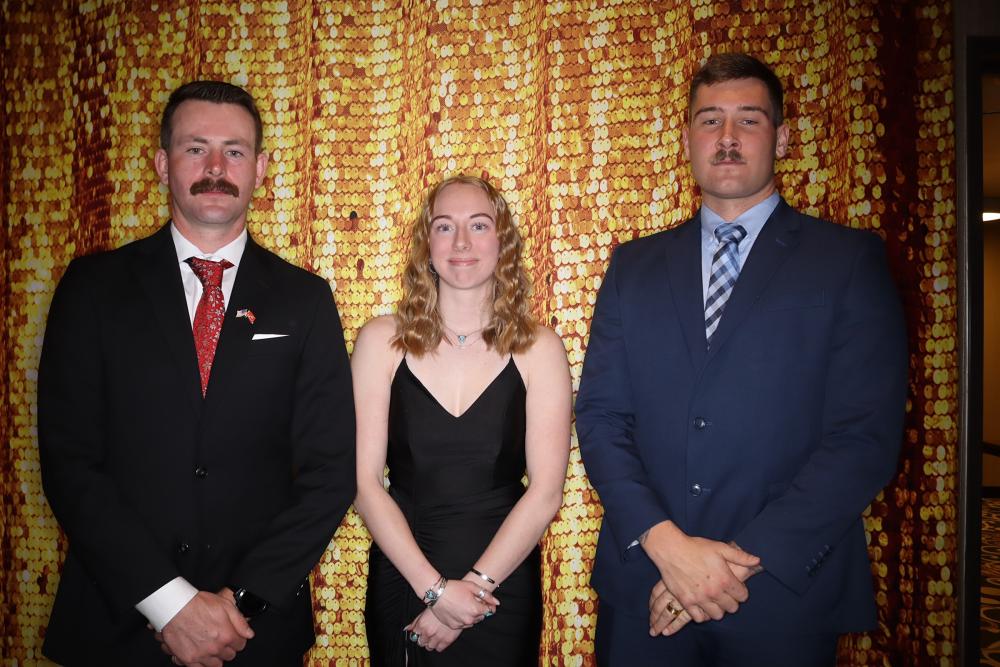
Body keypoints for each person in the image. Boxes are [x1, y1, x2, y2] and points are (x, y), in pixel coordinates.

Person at [575, 53, 908, 666]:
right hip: (646, 584)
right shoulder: (632, 266)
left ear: (781, 138)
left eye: (748, 120)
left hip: (781, 593)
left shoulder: (848, 261)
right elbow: (600, 417)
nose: (726, 137)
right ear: (687, 139)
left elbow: (864, 436)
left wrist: (727, 568)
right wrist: (668, 547)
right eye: (710, 120)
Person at [37, 80, 356, 666]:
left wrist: (239, 604)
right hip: (116, 627)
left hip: (252, 634)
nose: (215, 168)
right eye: (195, 148)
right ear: (163, 164)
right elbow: (69, 462)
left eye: (234, 151)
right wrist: (170, 605)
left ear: (259, 169)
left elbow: (330, 473)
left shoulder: (305, 300)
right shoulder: (92, 289)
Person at [352, 175, 571, 664]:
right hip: (405, 578)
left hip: (501, 586)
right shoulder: (380, 341)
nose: (462, 243)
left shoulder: (540, 348)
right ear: (426, 244)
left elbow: (545, 493)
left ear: (502, 241)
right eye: (445, 226)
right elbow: (365, 485)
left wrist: (471, 591)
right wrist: (434, 591)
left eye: (479, 225)